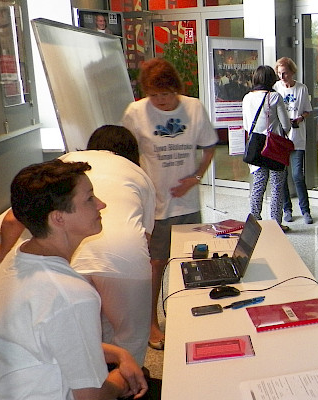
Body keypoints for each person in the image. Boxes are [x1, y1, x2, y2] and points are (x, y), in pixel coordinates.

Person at [0, 159, 148, 400]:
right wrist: (122, 377)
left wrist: (120, 355)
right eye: (89, 199)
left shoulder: (19, 257)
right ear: (58, 219)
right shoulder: (70, 294)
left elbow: (59, 341)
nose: (101, 204)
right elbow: (92, 397)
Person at [0, 125, 156, 366]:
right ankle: (127, 382)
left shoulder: (66, 166)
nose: (101, 204)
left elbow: (13, 218)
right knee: (130, 339)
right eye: (91, 198)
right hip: (125, 254)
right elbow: (145, 238)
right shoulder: (138, 173)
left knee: (80, 341)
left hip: (70, 255)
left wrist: (1, 252)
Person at [121, 58, 217, 351]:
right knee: (155, 264)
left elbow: (209, 146)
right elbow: (125, 154)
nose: (161, 101)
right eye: (154, 95)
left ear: (176, 89)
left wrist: (196, 177)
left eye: (167, 94)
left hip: (187, 203)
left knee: (190, 262)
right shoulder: (135, 113)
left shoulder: (194, 108)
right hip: (155, 205)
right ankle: (152, 322)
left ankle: (187, 315)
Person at [243, 65, 293, 231]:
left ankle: (255, 221)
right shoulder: (274, 97)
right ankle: (276, 224)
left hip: (255, 145)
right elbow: (286, 125)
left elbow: (245, 125)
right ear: (272, 79)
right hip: (273, 147)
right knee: (277, 186)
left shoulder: (247, 98)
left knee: (258, 185)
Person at [274, 57, 314, 225]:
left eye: (285, 73)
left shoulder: (301, 89)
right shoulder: (275, 89)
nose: (282, 77)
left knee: (298, 175)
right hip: (281, 137)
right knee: (281, 175)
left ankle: (305, 210)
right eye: (279, 73)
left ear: (291, 72)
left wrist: (300, 119)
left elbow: (307, 111)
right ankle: (286, 209)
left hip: (297, 136)